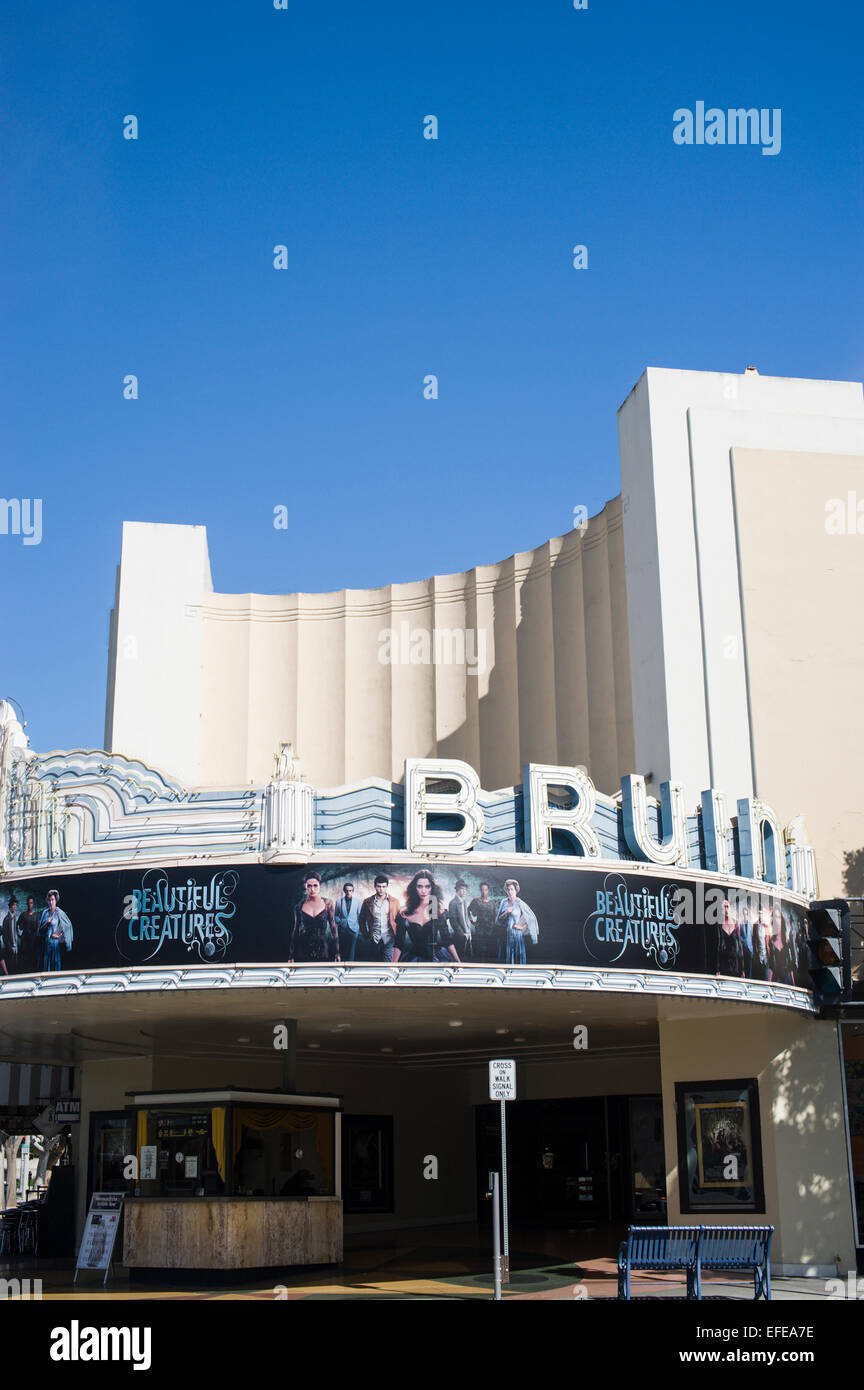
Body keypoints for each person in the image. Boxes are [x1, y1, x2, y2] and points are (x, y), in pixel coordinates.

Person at [393, 870, 459, 964]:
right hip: (414, 959)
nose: (423, 891)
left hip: (438, 957)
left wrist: (459, 962)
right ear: (414, 888)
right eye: (419, 886)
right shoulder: (405, 913)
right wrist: (392, 965)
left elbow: (447, 940)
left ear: (432, 888)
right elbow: (399, 943)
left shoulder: (439, 911)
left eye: (427, 886)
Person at [289, 872, 340, 963]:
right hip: (303, 948)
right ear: (305, 886)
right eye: (309, 886)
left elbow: (333, 928)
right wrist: (291, 955)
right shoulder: (299, 906)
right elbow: (295, 930)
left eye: (315, 885)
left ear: (320, 886)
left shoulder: (328, 903)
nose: (312, 889)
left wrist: (337, 953)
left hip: (323, 949)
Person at [496, 879, 539, 964]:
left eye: (512, 889)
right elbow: (498, 919)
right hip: (505, 935)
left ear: (516, 890)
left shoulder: (520, 903)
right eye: (508, 889)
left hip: (517, 935)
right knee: (506, 958)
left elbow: (531, 919)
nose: (510, 892)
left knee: (517, 957)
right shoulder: (503, 902)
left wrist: (522, 927)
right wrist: (506, 913)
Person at [358, 874, 400, 963]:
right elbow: (361, 919)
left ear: (387, 887)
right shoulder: (367, 902)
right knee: (374, 964)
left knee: (388, 964)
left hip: (389, 938)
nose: (381, 889)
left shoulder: (395, 901)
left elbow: (399, 921)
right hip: (374, 938)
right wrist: (366, 934)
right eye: (379, 886)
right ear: (375, 886)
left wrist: (396, 935)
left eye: (384, 887)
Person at [38, 889, 74, 971]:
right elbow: (40, 930)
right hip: (46, 944)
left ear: (56, 900)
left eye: (52, 900)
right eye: (49, 900)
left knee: (55, 966)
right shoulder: (45, 912)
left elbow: (68, 926)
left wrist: (59, 935)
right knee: (46, 967)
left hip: (55, 944)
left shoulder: (59, 912)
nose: (51, 902)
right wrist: (47, 922)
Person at [468, 882, 499, 963]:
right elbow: (468, 911)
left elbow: (496, 915)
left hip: (491, 932)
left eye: (485, 890)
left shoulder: (492, 902)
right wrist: (472, 921)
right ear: (480, 890)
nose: (484, 892)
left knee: (490, 952)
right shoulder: (476, 901)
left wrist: (495, 925)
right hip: (480, 931)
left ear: (488, 891)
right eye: (482, 890)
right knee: (480, 952)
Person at [715, 898, 743, 978]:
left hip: (735, 961)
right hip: (724, 961)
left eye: (727, 907)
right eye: (724, 907)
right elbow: (719, 946)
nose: (726, 909)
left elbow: (740, 945)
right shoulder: (719, 924)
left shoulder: (735, 923)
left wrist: (742, 969)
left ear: (730, 908)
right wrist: (718, 968)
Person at [334, 882, 361, 961]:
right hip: (342, 928)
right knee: (342, 949)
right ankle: (342, 966)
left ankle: (350, 966)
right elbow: (335, 915)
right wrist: (339, 921)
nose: (348, 892)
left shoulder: (357, 901)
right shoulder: (339, 901)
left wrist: (358, 928)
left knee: (352, 950)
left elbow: (359, 915)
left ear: (353, 891)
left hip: (354, 928)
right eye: (347, 890)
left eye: (350, 890)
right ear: (344, 891)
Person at [448, 880, 472, 960]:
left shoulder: (464, 901)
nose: (464, 891)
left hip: (468, 935)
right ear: (457, 889)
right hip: (459, 937)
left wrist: (468, 931)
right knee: (460, 957)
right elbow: (453, 922)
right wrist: (462, 934)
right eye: (462, 889)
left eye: (465, 889)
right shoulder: (453, 903)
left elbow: (466, 917)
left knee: (468, 958)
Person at [16, 895, 40, 974]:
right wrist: (18, 934)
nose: (30, 904)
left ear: (33, 904)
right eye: (29, 903)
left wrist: (36, 936)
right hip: (25, 939)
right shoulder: (23, 914)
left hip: (33, 939)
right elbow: (17, 924)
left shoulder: (36, 915)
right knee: (24, 957)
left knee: (32, 957)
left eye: (31, 903)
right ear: (27, 904)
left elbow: (38, 928)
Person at [1, 896, 19, 975]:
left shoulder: (14, 917)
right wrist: (10, 947)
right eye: (13, 905)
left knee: (15, 967)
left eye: (15, 905)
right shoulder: (6, 919)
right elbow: (5, 937)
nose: (14, 907)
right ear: (10, 906)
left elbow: (14, 930)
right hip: (10, 948)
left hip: (15, 947)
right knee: (10, 968)